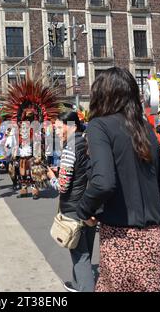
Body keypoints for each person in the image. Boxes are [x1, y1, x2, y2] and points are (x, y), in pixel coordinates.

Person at [76, 67, 160, 292]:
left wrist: (84, 210)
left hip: (119, 238)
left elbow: (103, 182)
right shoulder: (145, 127)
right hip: (153, 238)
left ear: (102, 94)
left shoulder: (100, 126)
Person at [46, 111, 95, 292]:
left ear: (71, 125)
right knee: (85, 251)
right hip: (89, 204)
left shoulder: (70, 148)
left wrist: (51, 176)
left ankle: (85, 288)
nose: (57, 131)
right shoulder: (85, 142)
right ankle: (76, 285)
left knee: (80, 255)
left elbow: (63, 186)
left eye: (59, 127)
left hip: (74, 207)